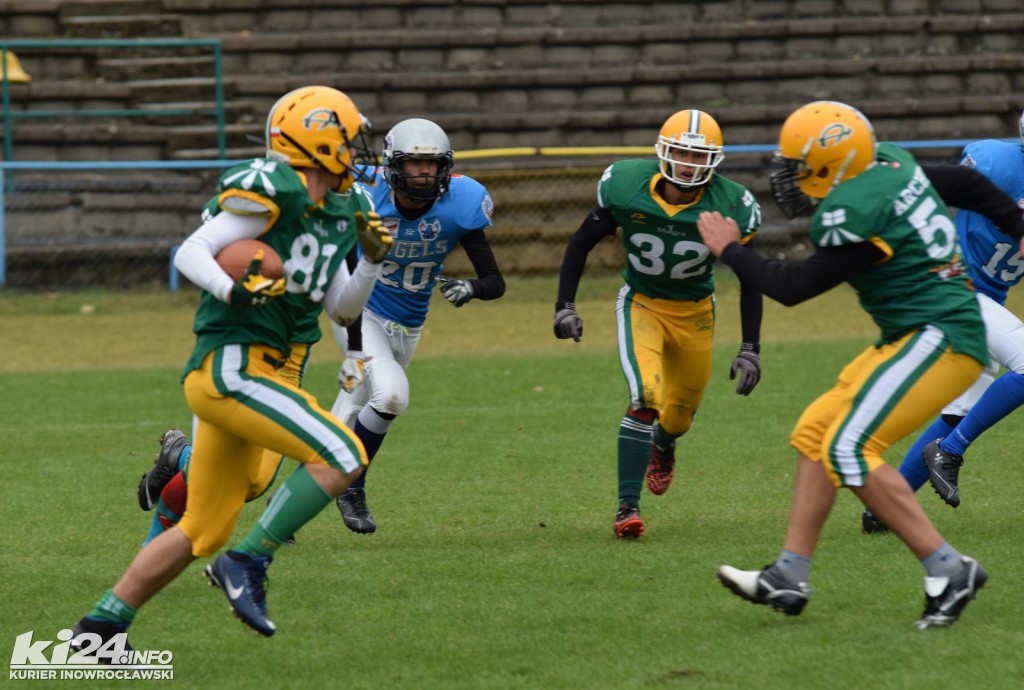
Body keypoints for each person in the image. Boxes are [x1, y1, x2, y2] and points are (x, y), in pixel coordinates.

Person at [70, 85, 394, 650]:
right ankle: (248, 561)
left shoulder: (346, 209)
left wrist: (369, 261)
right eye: (347, 137)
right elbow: (193, 250)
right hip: (233, 370)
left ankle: (98, 632)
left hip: (258, 373)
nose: (356, 149)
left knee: (203, 529)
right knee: (344, 452)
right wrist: (234, 289)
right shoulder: (273, 187)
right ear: (320, 141)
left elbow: (343, 309)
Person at [697, 100, 1024, 628]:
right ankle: (789, 573)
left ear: (834, 163)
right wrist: (1017, 222)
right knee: (815, 433)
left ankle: (949, 569)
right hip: (920, 330)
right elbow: (964, 188)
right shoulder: (890, 164)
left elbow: (792, 287)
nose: (792, 178)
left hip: (940, 334)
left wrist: (730, 250)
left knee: (846, 448)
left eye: (800, 166)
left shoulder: (856, 210)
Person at [554, 109, 765, 539]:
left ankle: (663, 446)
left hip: (696, 313)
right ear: (663, 153)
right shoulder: (627, 186)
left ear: (713, 162)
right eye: (681, 154)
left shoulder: (732, 205)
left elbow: (751, 279)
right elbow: (581, 243)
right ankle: (626, 508)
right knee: (645, 396)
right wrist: (564, 305)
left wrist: (750, 348)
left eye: (697, 156)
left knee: (680, 418)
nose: (688, 165)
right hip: (642, 305)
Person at [329, 117, 505, 534]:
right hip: (361, 313)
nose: (425, 173)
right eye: (414, 164)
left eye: (433, 164)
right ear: (394, 165)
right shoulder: (364, 195)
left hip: (409, 324)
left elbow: (495, 282)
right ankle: (352, 487)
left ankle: (295, 498)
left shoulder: (462, 203)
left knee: (352, 405)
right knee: (389, 396)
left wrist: (471, 288)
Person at [861, 108, 1024, 531]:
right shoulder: (997, 163)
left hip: (985, 296)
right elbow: (927, 186)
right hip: (950, 288)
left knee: (962, 408)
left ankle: (882, 510)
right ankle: (949, 452)